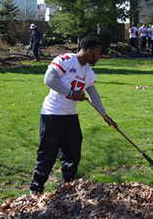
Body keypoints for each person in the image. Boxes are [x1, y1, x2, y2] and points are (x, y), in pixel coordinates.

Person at [29, 36, 117, 195]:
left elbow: (93, 95)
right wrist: (71, 94)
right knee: (47, 155)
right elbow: (49, 79)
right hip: (52, 115)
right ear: (89, 51)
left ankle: (66, 188)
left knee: (72, 154)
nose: (99, 56)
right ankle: (35, 190)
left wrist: (105, 115)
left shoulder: (88, 72)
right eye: (98, 53)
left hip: (70, 116)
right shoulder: (66, 60)